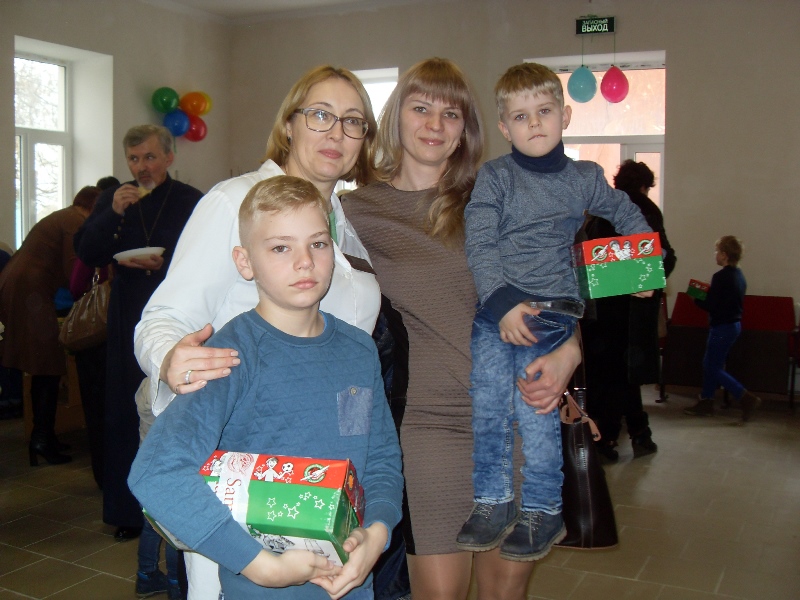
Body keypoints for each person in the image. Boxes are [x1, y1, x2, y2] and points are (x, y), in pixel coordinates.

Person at [133, 65, 381, 600]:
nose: (336, 132)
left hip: (328, 470)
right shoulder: (236, 201)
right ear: (289, 124)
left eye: (353, 121)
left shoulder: (343, 222)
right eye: (320, 115)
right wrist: (170, 357)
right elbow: (164, 316)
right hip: (242, 463)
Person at [342, 58, 582, 600]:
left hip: (515, 418)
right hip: (428, 427)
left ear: (467, 130)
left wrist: (569, 349)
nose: (434, 124)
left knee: (505, 594)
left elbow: (554, 289)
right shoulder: (354, 212)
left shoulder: (499, 197)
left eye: (451, 113)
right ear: (396, 116)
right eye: (420, 107)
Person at [459, 62, 652, 563]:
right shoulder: (495, 176)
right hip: (497, 310)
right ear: (505, 127)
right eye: (521, 116)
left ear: (564, 116)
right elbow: (479, 241)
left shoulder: (584, 178)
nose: (535, 123)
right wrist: (501, 303)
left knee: (535, 410)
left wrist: (639, 269)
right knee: (487, 404)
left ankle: (543, 509)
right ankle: (493, 501)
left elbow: (626, 212)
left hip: (554, 311)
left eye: (544, 111)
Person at [74, 126, 204, 549]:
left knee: (176, 411)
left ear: (168, 158)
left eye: (149, 157)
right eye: (134, 159)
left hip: (179, 315)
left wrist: (165, 265)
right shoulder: (115, 199)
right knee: (123, 414)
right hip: (127, 315)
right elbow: (87, 251)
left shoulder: (191, 200)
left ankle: (181, 505)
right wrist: (111, 213)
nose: (141, 167)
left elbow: (207, 257)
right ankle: (125, 512)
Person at [582, 159, 677, 462]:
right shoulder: (647, 210)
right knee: (624, 375)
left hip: (601, 310)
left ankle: (617, 437)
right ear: (644, 185)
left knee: (608, 375)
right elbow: (664, 258)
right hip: (634, 311)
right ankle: (627, 435)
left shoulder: (601, 211)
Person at [0, 185, 101, 464]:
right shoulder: (75, 221)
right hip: (29, 292)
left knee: (45, 365)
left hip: (22, 287)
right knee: (47, 365)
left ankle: (43, 436)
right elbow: (75, 271)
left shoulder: (64, 216)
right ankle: (41, 439)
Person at [70, 176, 120, 488]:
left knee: (97, 410)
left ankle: (103, 476)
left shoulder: (94, 242)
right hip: (120, 336)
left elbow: (77, 284)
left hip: (95, 338)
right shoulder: (127, 239)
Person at [684, 235, 761, 421]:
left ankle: (745, 397)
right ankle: (706, 401)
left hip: (722, 327)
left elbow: (712, 305)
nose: (715, 254)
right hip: (733, 325)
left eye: (717, 251)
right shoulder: (739, 276)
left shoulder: (720, 277)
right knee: (713, 364)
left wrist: (696, 298)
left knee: (711, 366)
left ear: (725, 255)